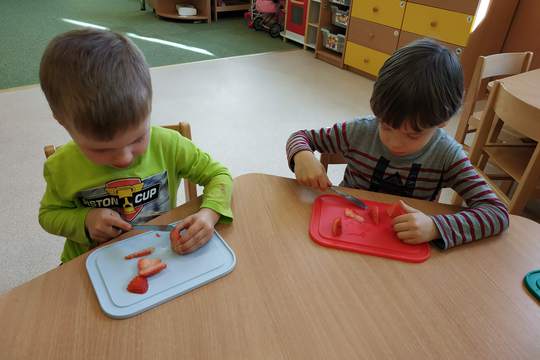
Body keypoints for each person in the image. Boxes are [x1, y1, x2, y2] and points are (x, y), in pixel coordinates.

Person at [286, 38, 509, 249]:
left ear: (442, 122)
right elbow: (300, 137)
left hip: (404, 244)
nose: (394, 143)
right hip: (349, 232)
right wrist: (302, 155)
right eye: (386, 126)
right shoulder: (358, 131)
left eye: (412, 135)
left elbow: (497, 212)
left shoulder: (447, 155)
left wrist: (436, 227)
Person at [39, 29, 233, 263]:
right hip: (90, 260)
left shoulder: (168, 145)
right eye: (101, 149)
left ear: (149, 107)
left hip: (160, 252)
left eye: (138, 139)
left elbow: (219, 175)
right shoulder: (61, 167)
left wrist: (209, 213)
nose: (123, 159)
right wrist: (85, 220)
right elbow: (48, 215)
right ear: (61, 121)